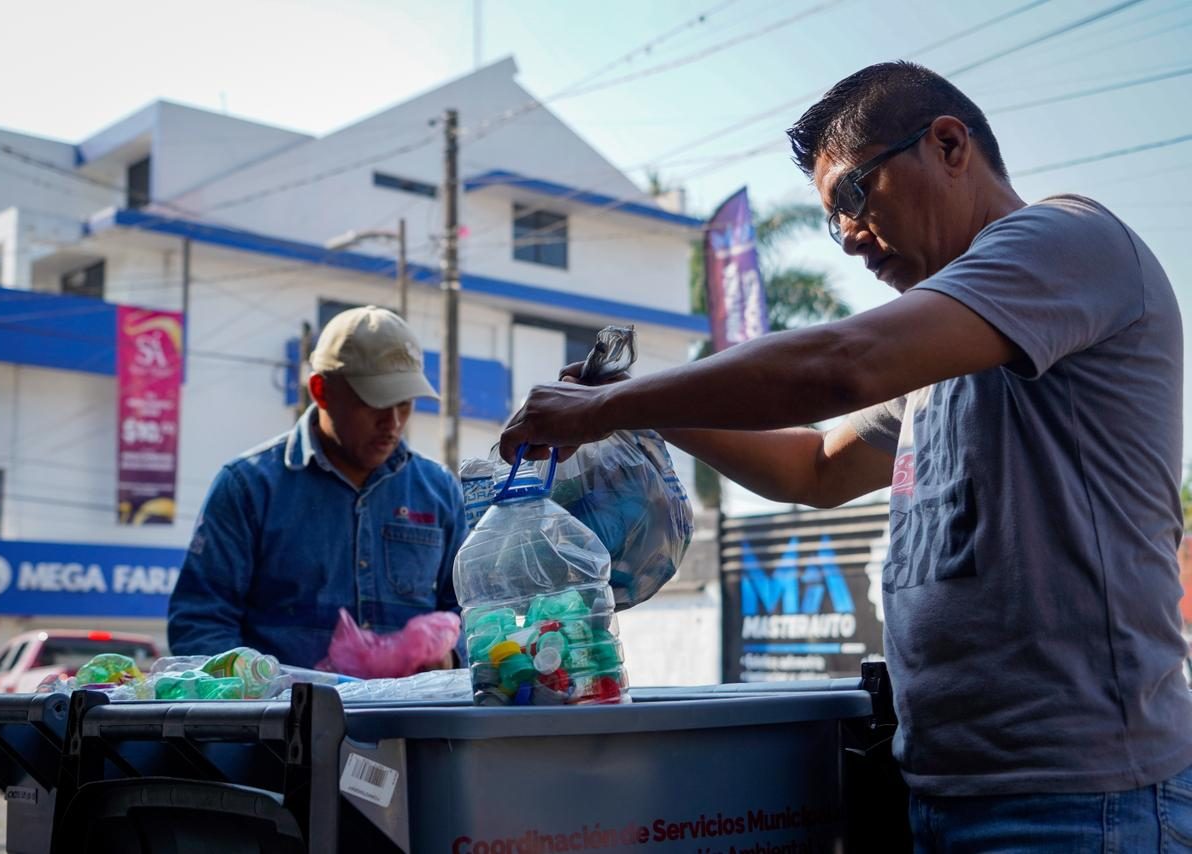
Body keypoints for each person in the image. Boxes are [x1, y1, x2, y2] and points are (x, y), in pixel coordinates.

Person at [500, 61, 1192, 849]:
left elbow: (838, 367)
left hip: (1084, 800)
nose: (850, 238)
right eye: (833, 221)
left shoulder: (1067, 241)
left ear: (949, 145)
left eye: (854, 198)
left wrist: (607, 405)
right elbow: (816, 468)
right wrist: (646, 404)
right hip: (945, 789)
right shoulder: (942, 354)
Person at [169, 305, 467, 669]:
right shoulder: (248, 488)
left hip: (412, 725)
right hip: (286, 723)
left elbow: (472, 610)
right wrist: (263, 692)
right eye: (375, 402)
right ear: (321, 391)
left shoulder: (439, 491)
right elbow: (199, 624)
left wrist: (451, 656)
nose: (392, 423)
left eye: (404, 404)